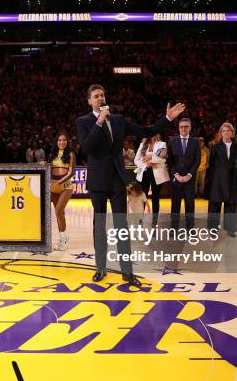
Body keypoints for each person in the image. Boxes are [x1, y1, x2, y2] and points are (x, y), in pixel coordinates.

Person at [75, 84, 185, 285]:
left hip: (117, 181)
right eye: (96, 96)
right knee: (99, 226)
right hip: (98, 182)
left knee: (121, 227)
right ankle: (100, 268)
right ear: (89, 101)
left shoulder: (117, 120)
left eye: (102, 95)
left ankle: (127, 272)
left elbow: (147, 130)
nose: (100, 98)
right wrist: (98, 123)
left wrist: (168, 118)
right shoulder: (83, 122)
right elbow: (87, 147)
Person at [207, 122, 237, 237]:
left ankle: (231, 229)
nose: (226, 133)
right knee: (215, 206)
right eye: (224, 131)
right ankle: (213, 229)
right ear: (221, 133)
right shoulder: (215, 147)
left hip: (232, 179)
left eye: (228, 131)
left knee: (231, 205)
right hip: (217, 180)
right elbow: (211, 165)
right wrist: (211, 182)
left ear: (232, 133)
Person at [167, 118, 201, 230]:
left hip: (189, 179)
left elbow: (197, 160)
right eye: (181, 126)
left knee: (190, 205)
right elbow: (170, 162)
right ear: (178, 128)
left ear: (190, 128)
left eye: (186, 126)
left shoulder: (196, 142)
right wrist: (176, 175)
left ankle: (190, 229)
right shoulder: (172, 141)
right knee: (175, 205)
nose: (184, 129)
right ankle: (174, 228)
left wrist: (189, 175)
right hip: (176, 179)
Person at [47, 132, 75, 250]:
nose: (62, 142)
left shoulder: (70, 154)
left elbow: (71, 172)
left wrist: (60, 182)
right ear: (56, 142)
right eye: (59, 140)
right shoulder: (52, 154)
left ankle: (64, 238)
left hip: (66, 186)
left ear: (67, 142)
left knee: (58, 211)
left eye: (64, 140)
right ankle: (62, 239)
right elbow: (48, 170)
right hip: (53, 187)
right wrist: (44, 164)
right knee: (60, 214)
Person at [133, 133, 169, 226]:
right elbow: (136, 160)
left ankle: (154, 222)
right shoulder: (142, 144)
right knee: (142, 198)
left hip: (157, 174)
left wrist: (151, 158)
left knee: (155, 198)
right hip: (144, 173)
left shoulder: (162, 144)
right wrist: (146, 164)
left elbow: (163, 159)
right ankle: (140, 221)